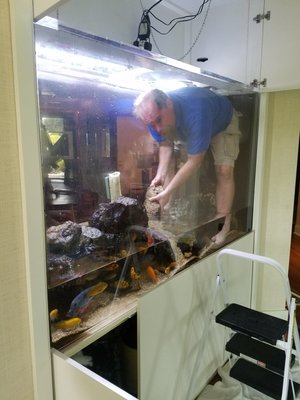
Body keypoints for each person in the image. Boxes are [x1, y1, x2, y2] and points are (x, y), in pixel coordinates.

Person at [133, 86, 241, 244]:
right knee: (172, 167)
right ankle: (167, 217)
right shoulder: (153, 117)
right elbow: (165, 145)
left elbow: (194, 161)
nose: (157, 128)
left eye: (158, 120)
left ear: (168, 104)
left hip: (222, 122)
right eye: (151, 124)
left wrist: (168, 190)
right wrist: (160, 175)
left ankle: (222, 223)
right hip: (185, 126)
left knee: (224, 170)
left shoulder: (196, 110)